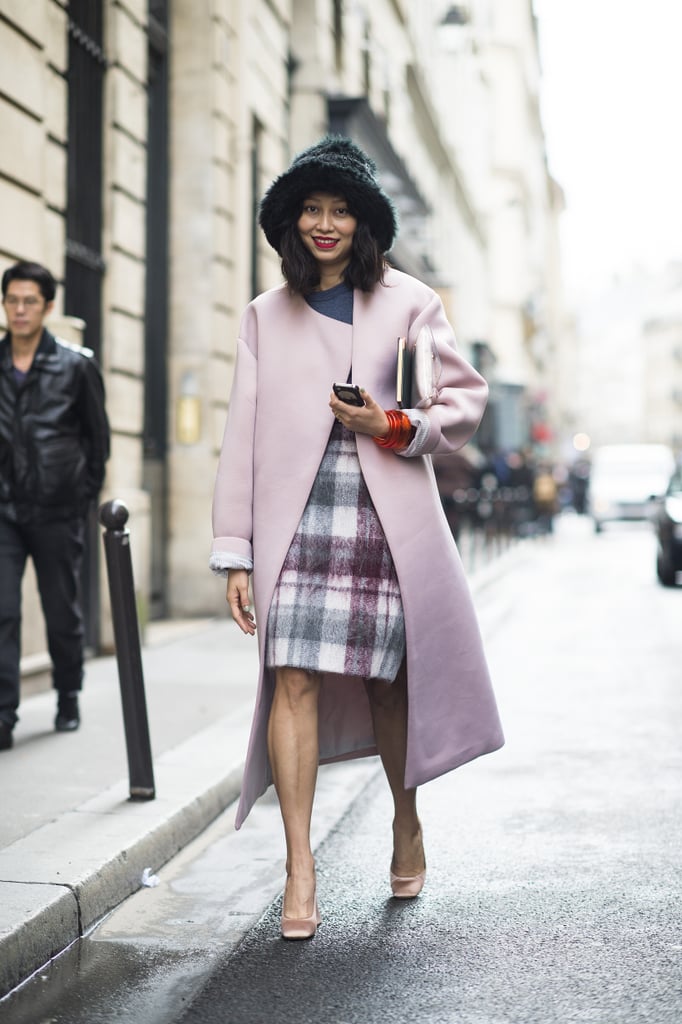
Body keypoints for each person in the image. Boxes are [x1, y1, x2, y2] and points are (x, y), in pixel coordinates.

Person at [209, 137, 503, 940]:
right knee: (291, 677)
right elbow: (243, 434)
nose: (326, 223)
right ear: (291, 220)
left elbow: (462, 404)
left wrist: (392, 422)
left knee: (386, 684)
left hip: (383, 517)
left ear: (364, 221)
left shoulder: (410, 300)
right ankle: (300, 868)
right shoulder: (264, 316)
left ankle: (406, 819)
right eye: (312, 208)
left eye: (341, 209)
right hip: (294, 522)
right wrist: (234, 549)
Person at [0, 261, 110, 750]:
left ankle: (68, 693)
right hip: (4, 511)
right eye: (11, 301)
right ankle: (4, 715)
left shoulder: (75, 365)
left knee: (60, 611)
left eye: (29, 302)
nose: (19, 310)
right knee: (3, 611)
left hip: (57, 510)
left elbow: (97, 441)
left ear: (47, 307)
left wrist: (79, 498)